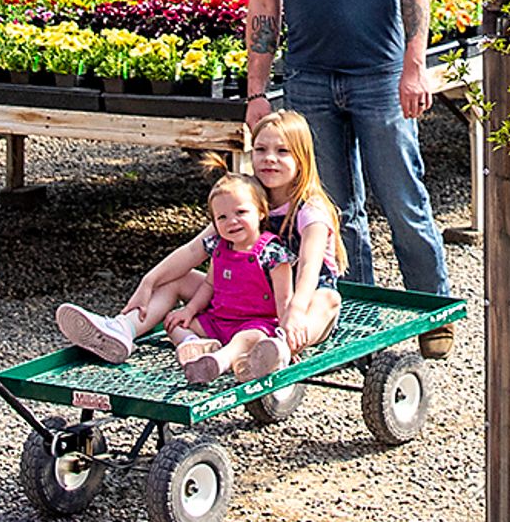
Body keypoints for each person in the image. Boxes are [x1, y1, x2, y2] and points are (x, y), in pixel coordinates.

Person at [243, 0, 455, 354]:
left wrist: (416, 67)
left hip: (378, 75)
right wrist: (257, 91)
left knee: (401, 197)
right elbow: (264, 3)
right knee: (331, 213)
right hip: (309, 78)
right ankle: (357, 314)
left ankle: (432, 310)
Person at [59, 112, 344, 365]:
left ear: (302, 158)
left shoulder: (310, 209)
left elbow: (308, 266)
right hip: (251, 296)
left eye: (282, 151)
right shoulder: (247, 199)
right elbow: (196, 249)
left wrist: (293, 311)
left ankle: (278, 349)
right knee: (176, 278)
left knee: (326, 299)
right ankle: (123, 329)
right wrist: (150, 281)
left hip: (294, 301)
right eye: (261, 149)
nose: (269, 158)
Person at [58, 173, 296, 385]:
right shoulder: (220, 247)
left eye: (241, 213)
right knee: (175, 325)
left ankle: (219, 361)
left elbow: (284, 299)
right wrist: (189, 311)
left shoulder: (272, 253)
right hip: (219, 319)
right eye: (221, 218)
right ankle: (190, 345)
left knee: (248, 339)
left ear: (261, 211)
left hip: (254, 322)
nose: (231, 222)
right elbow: (210, 286)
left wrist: (286, 336)